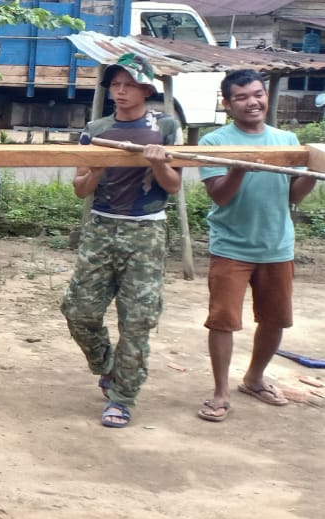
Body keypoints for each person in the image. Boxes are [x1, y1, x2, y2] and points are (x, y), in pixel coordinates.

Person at [60, 53, 181, 429]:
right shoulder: (96, 129)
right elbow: (81, 189)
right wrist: (95, 167)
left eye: (129, 84)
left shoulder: (164, 125)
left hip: (146, 231)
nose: (121, 91)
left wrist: (159, 161)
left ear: (146, 88)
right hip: (101, 228)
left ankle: (123, 397)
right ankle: (108, 367)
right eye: (115, 85)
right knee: (78, 310)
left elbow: (174, 185)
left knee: (138, 318)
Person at [196, 70, 316, 422]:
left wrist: (308, 177)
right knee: (223, 321)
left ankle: (254, 378)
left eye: (258, 94)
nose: (253, 102)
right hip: (231, 246)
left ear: (266, 96)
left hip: (277, 244)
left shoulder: (287, 139)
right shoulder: (214, 142)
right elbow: (220, 197)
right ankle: (220, 393)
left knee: (275, 320)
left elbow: (292, 196)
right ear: (227, 104)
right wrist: (240, 168)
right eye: (242, 97)